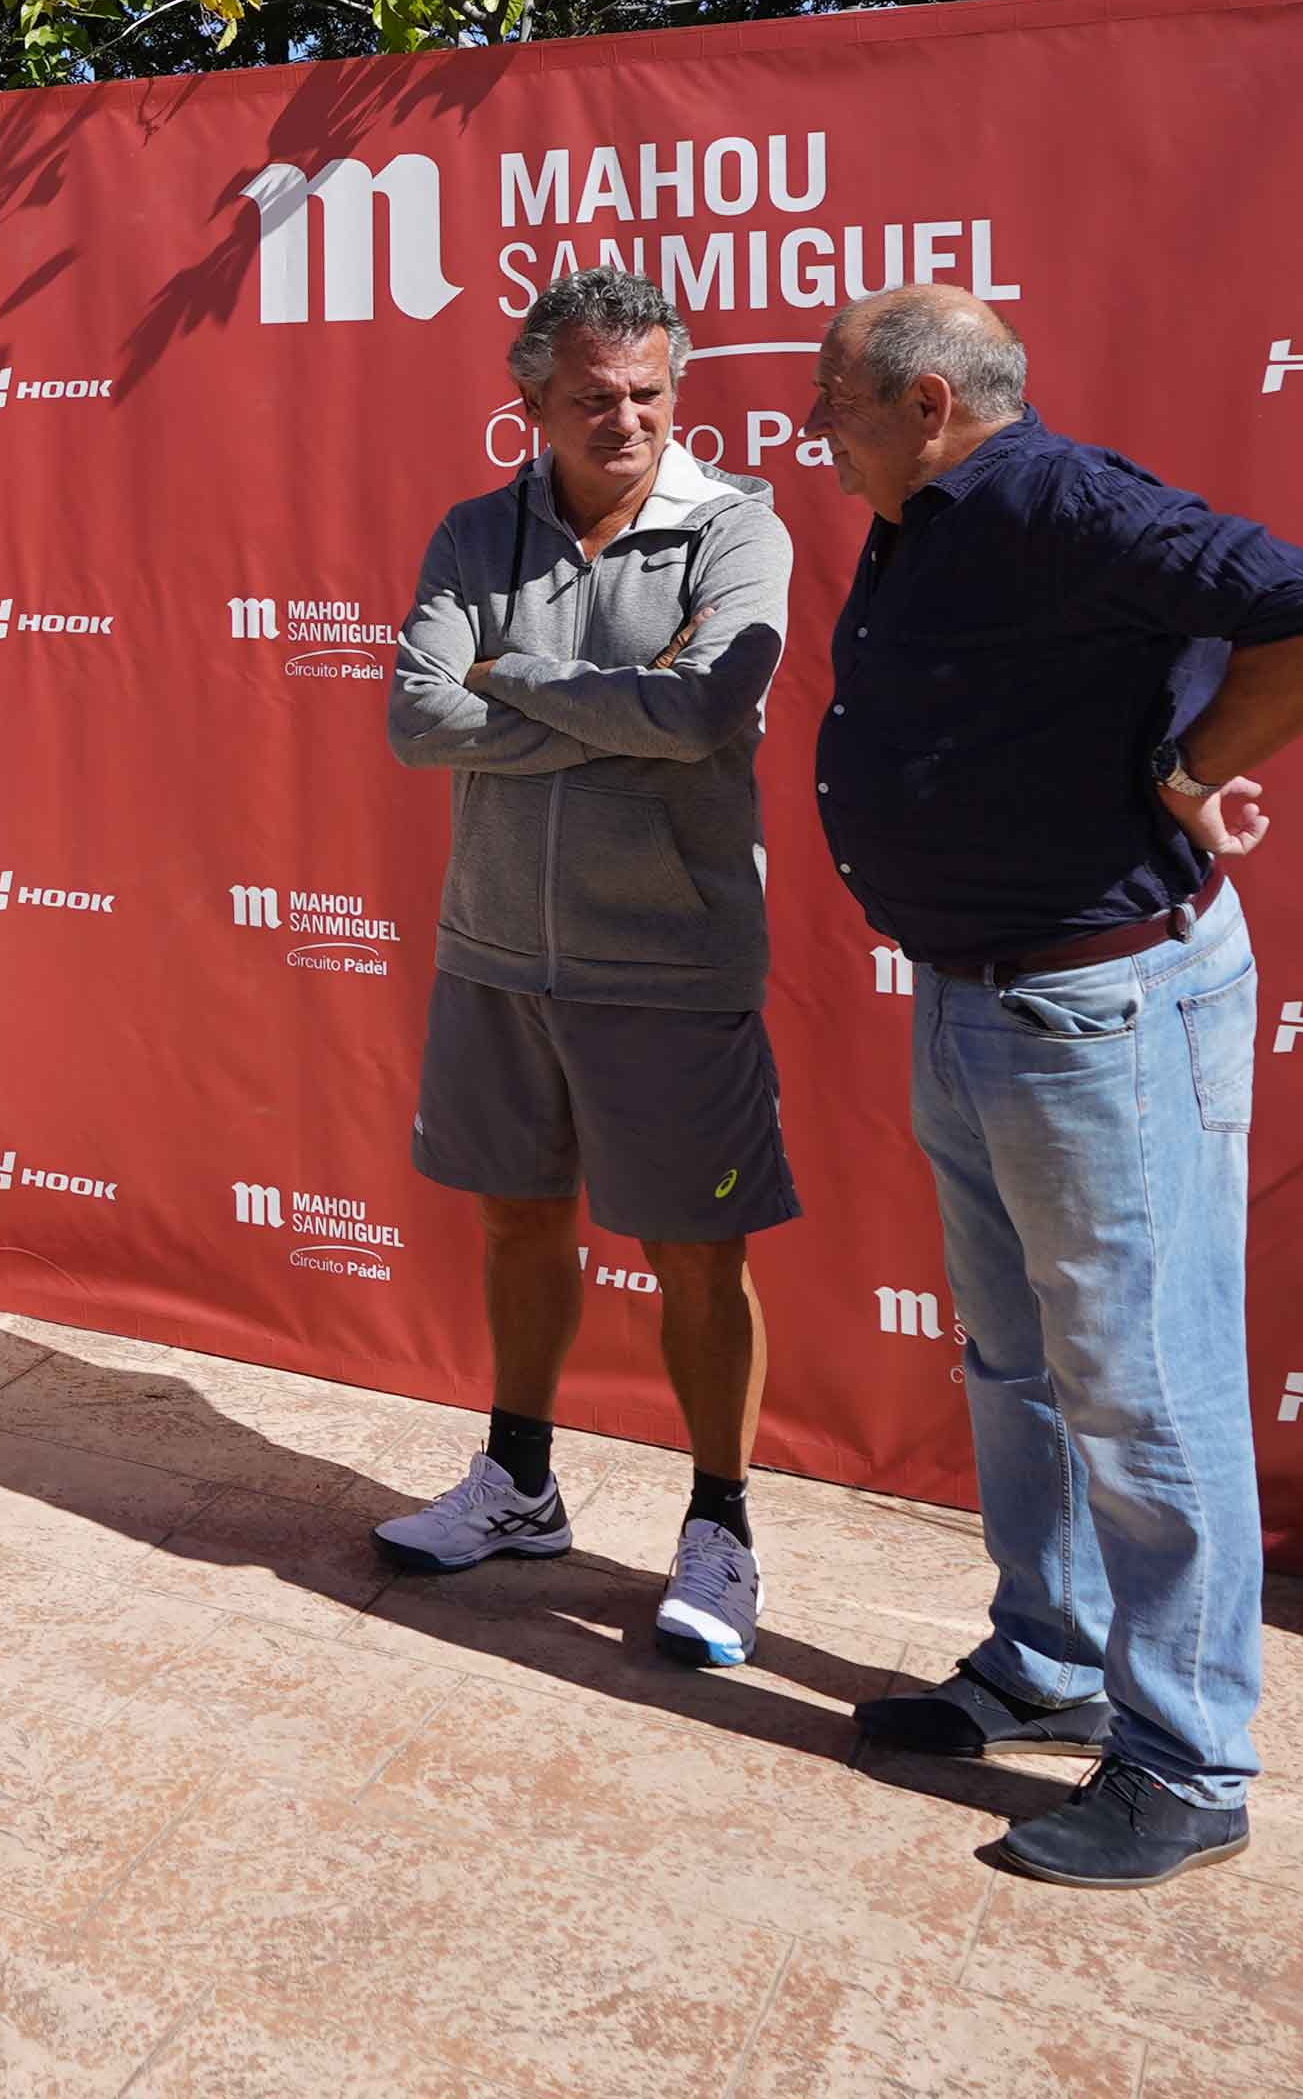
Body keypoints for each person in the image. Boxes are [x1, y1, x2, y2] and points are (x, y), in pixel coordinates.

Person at [805, 285, 1303, 1889]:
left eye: (836, 401)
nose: (814, 429)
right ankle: (1050, 1657)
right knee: (1018, 1363)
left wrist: (1193, 769)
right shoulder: (929, 519)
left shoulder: (1062, 499)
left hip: (1102, 1016)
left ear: (927, 403)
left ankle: (1189, 1761)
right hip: (980, 998)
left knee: (1145, 1383)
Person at [377, 268, 799, 1666]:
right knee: (517, 1226)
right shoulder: (473, 530)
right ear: (533, 404)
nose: (625, 418)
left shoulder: (733, 527)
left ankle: (722, 1528)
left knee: (698, 1257)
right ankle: (519, 1483)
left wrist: (506, 672)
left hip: (669, 963)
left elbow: (705, 709)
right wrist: (621, 708)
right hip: (495, 950)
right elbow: (417, 721)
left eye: (648, 393)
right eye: (592, 397)